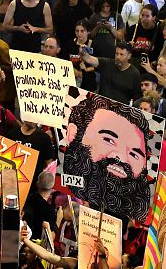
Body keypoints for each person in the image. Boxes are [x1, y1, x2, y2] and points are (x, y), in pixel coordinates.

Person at [60, 88, 150, 222]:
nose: (121, 158)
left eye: (134, 153)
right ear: (73, 134)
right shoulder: (64, 186)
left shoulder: (127, 209)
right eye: (109, 140)